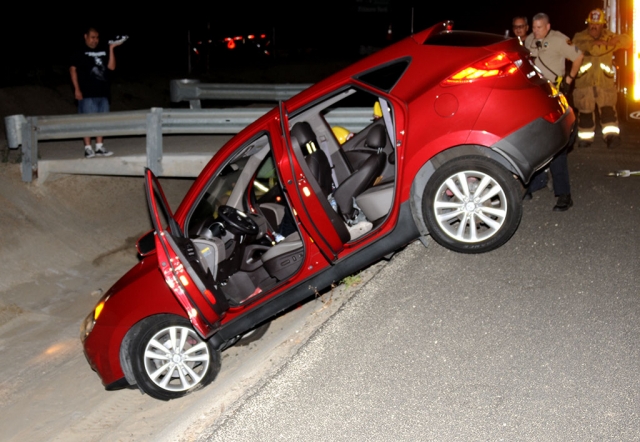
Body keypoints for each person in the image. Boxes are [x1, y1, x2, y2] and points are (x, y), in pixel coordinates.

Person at [523, 13, 584, 212]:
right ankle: (533, 184)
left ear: (548, 27)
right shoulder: (529, 40)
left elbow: (578, 56)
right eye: (533, 27)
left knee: (557, 146)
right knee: (532, 144)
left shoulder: (559, 39)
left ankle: (564, 194)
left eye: (539, 27)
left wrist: (569, 80)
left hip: (554, 97)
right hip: (534, 99)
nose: (535, 31)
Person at [572, 9, 631, 149]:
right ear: (588, 23)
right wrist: (609, 44)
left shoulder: (610, 36)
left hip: (604, 82)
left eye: (597, 24)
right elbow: (591, 48)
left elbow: (627, 41)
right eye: (591, 24)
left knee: (608, 112)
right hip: (585, 83)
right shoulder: (579, 37)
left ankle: (611, 137)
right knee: (585, 112)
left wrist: (615, 40)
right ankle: (585, 139)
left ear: (603, 25)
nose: (594, 27)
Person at [70, 27, 124, 158]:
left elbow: (111, 67)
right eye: (92, 37)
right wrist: (77, 89)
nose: (95, 40)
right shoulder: (79, 51)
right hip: (87, 93)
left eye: (97, 38)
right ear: (85, 37)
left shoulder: (103, 50)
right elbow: (73, 70)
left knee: (102, 121)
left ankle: (99, 147)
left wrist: (111, 49)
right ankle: (88, 148)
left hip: (103, 92)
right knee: (87, 121)